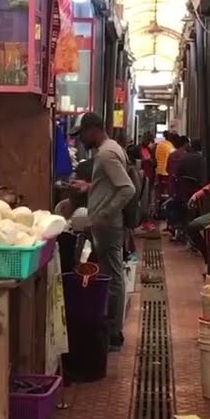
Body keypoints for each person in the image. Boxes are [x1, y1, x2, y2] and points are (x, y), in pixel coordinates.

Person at [70, 112, 136, 351]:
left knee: (113, 276)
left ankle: (113, 333)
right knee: (111, 273)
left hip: (107, 225)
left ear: (93, 130)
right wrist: (91, 187)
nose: (81, 140)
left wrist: (106, 212)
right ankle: (110, 329)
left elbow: (126, 189)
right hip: (105, 223)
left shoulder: (106, 153)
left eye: (82, 135)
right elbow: (111, 184)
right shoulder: (111, 148)